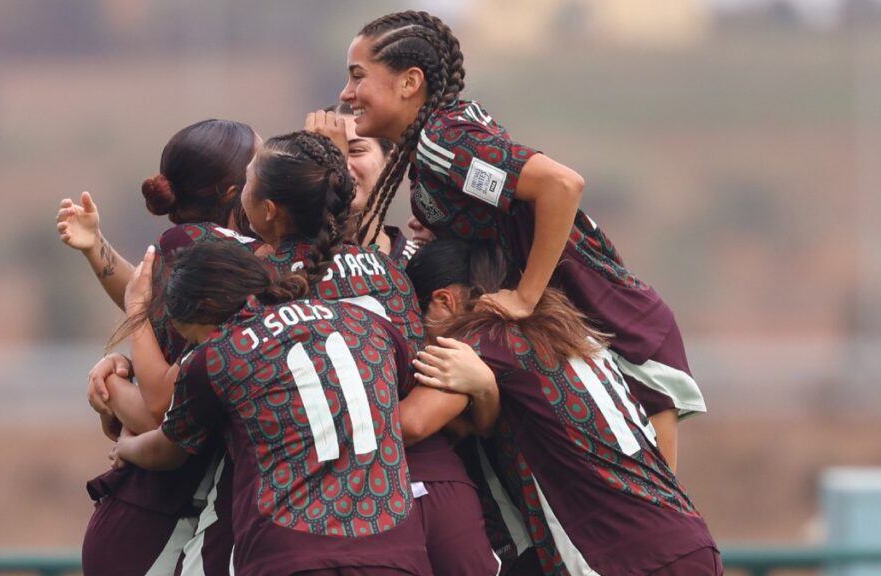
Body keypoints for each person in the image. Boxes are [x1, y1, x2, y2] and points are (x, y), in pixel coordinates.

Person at [338, 10, 704, 470]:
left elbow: (561, 185)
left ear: (410, 82)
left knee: (654, 514)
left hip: (618, 328)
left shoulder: (442, 140)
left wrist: (525, 296)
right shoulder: (436, 145)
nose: (346, 93)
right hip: (588, 334)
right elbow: (505, 207)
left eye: (357, 76)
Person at [243, 130, 500, 574]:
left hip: (333, 498)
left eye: (249, 180)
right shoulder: (388, 269)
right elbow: (423, 384)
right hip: (435, 479)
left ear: (269, 209)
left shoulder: (256, 281)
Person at [113, 241, 434, 576]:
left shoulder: (221, 355)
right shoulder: (367, 324)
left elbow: (167, 450)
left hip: (290, 554)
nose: (196, 347)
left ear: (205, 309)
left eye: (193, 338)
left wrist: (126, 445)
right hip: (396, 553)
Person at [403, 240, 723, 575]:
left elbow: (412, 423)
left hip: (629, 557)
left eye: (416, 323)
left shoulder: (487, 336)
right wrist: (485, 394)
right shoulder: (563, 326)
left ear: (444, 300)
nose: (418, 340)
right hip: (685, 538)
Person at [58, 118, 260, 575]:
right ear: (232, 190)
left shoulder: (203, 246)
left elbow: (144, 301)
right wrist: (121, 394)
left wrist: (97, 250)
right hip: (156, 519)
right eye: (260, 164)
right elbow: (163, 410)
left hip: (156, 512)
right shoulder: (211, 246)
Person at [306, 104, 419, 267]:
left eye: (356, 150)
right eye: (325, 153)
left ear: (391, 162)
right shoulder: (286, 269)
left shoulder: (419, 266)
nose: (342, 164)